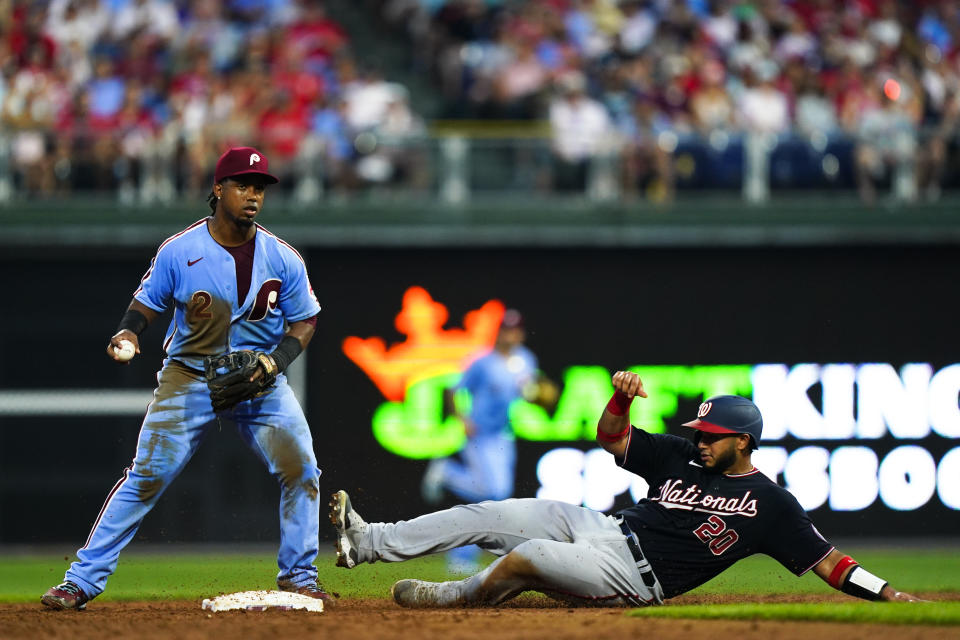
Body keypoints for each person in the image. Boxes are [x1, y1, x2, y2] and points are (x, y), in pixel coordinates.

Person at [329, 370, 922, 608]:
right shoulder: (683, 455)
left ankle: (456, 599)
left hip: (637, 580)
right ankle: (369, 540)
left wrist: (892, 596)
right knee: (494, 511)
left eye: (712, 436)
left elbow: (831, 563)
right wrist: (618, 398)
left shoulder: (772, 505)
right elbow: (613, 438)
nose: (700, 441)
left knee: (529, 557)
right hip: (606, 529)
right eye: (700, 431)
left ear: (744, 442)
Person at [41, 147, 330, 610]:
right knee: (145, 478)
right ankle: (81, 581)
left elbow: (306, 320)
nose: (253, 195)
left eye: (259, 187)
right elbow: (145, 305)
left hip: (261, 383)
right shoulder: (181, 250)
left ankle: (299, 575)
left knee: (302, 470)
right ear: (218, 190)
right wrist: (128, 334)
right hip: (190, 378)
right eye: (243, 185)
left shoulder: (283, 257)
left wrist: (277, 360)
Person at [419, 308, 544, 572]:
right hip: (480, 435)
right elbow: (453, 389)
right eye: (506, 330)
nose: (510, 335)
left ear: (520, 333)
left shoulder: (525, 360)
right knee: (494, 492)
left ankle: (461, 557)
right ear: (498, 332)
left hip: (503, 435)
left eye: (515, 330)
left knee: (489, 498)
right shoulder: (482, 361)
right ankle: (448, 473)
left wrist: (537, 394)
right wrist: (461, 419)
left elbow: (533, 394)